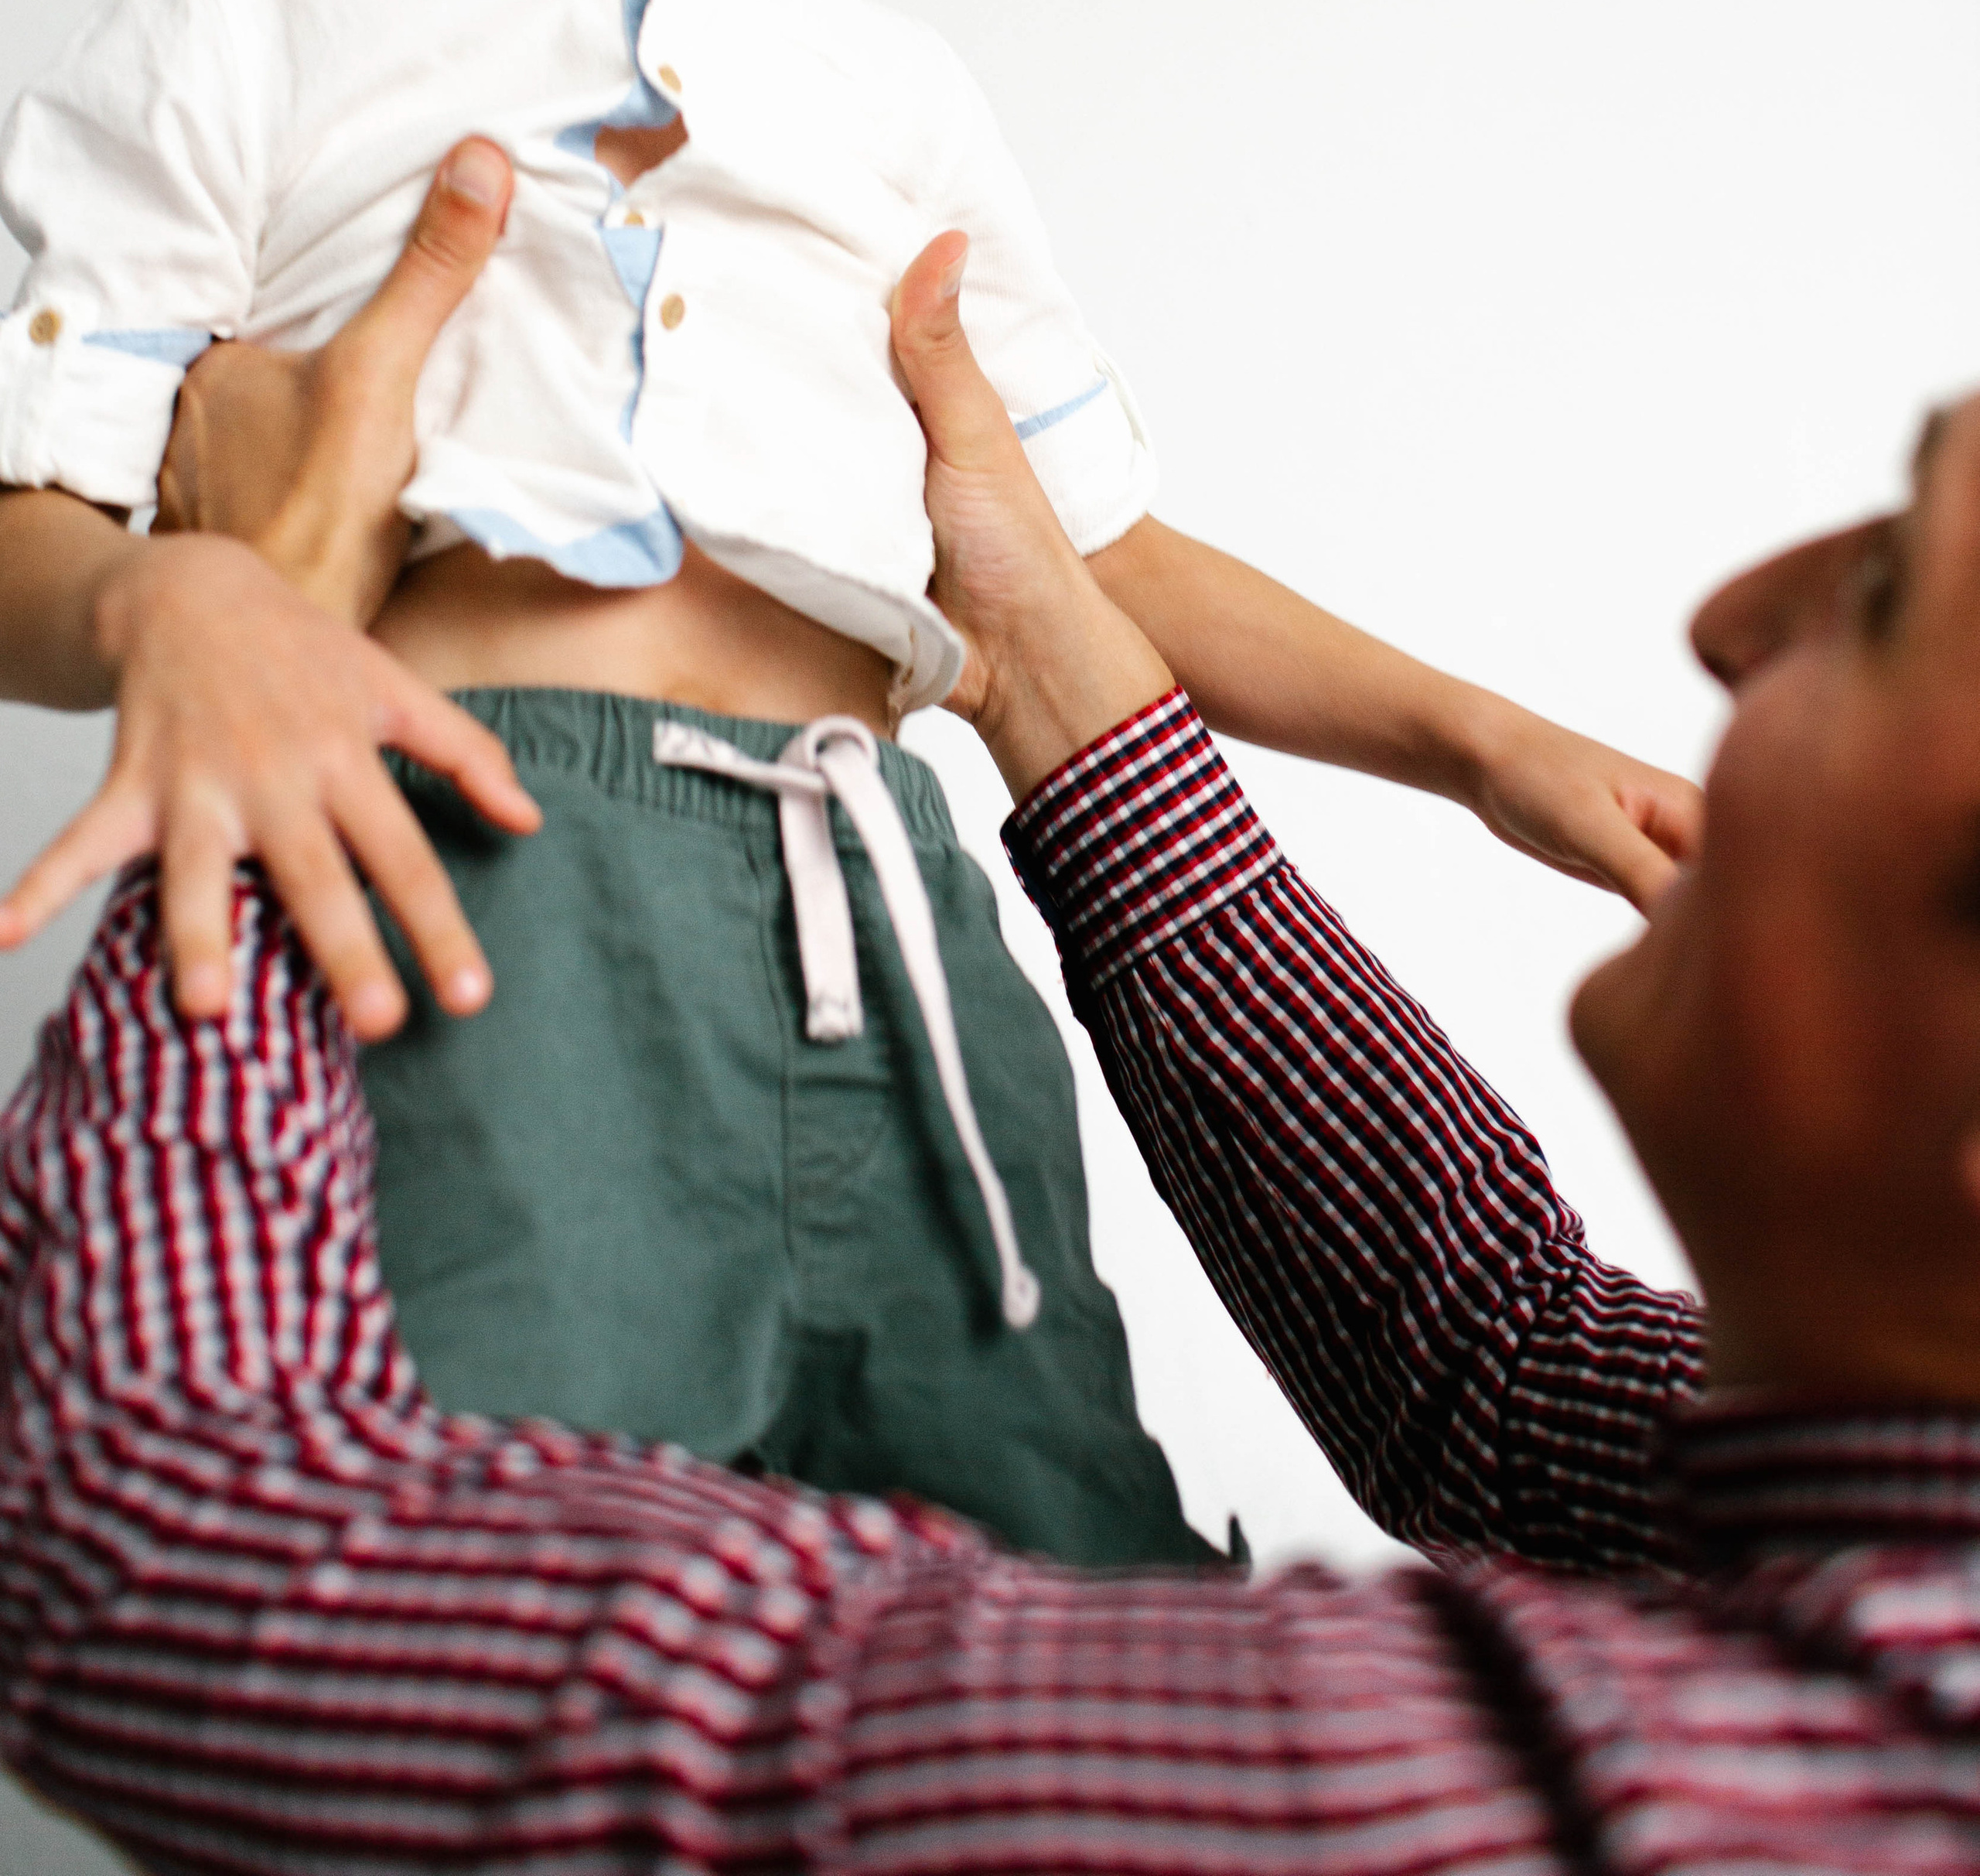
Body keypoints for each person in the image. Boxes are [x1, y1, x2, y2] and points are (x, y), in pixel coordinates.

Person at [0, 0, 1695, 1565]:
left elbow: (1079, 556)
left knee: (1051, 1563)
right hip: (474, 867)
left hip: (893, 908)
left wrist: (1473, 738)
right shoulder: (246, 22)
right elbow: (41, 503)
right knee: (511, 1540)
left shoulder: (894, 96)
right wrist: (173, 612)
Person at [1, 172, 1977, 1871]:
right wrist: (1045, 665)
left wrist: (287, 689)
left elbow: (155, 1558)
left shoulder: (1555, 1809)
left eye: (1886, 592)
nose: (1730, 613)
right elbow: (1491, 1361)